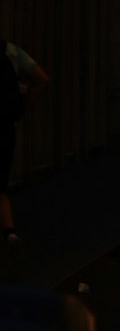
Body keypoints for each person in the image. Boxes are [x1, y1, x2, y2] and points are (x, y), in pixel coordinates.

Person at [0, 37, 50, 251]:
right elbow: (43, 80)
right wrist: (20, 108)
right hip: (3, 127)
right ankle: (10, 234)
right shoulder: (10, 51)